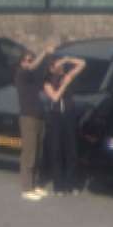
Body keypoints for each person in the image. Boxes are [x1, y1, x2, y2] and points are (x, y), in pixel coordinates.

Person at [42, 50, 86, 197]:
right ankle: (58, 185)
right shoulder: (48, 82)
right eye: (57, 65)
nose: (60, 68)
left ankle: (71, 183)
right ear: (51, 68)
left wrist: (68, 59)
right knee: (56, 150)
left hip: (68, 114)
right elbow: (54, 98)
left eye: (61, 66)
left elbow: (82, 64)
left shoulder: (66, 75)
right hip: (55, 116)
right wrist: (64, 86)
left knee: (71, 149)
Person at [13, 46, 51, 200]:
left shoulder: (33, 77)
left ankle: (35, 185)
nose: (29, 62)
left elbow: (41, 70)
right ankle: (26, 188)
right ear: (21, 62)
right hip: (28, 117)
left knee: (38, 153)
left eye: (30, 59)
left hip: (39, 116)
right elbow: (35, 66)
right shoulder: (21, 74)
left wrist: (49, 58)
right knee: (29, 153)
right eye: (26, 60)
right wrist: (44, 52)